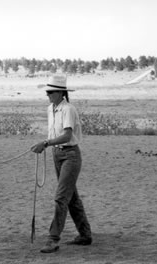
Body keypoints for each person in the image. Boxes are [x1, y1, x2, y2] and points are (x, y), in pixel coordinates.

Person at [31, 75, 92, 253]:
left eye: (51, 92)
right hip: (57, 154)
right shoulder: (50, 109)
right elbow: (55, 135)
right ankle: (85, 234)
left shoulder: (68, 109)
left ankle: (53, 239)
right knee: (71, 197)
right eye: (47, 91)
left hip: (70, 155)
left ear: (60, 93)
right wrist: (47, 144)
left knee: (61, 197)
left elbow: (66, 136)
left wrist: (45, 143)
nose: (48, 94)